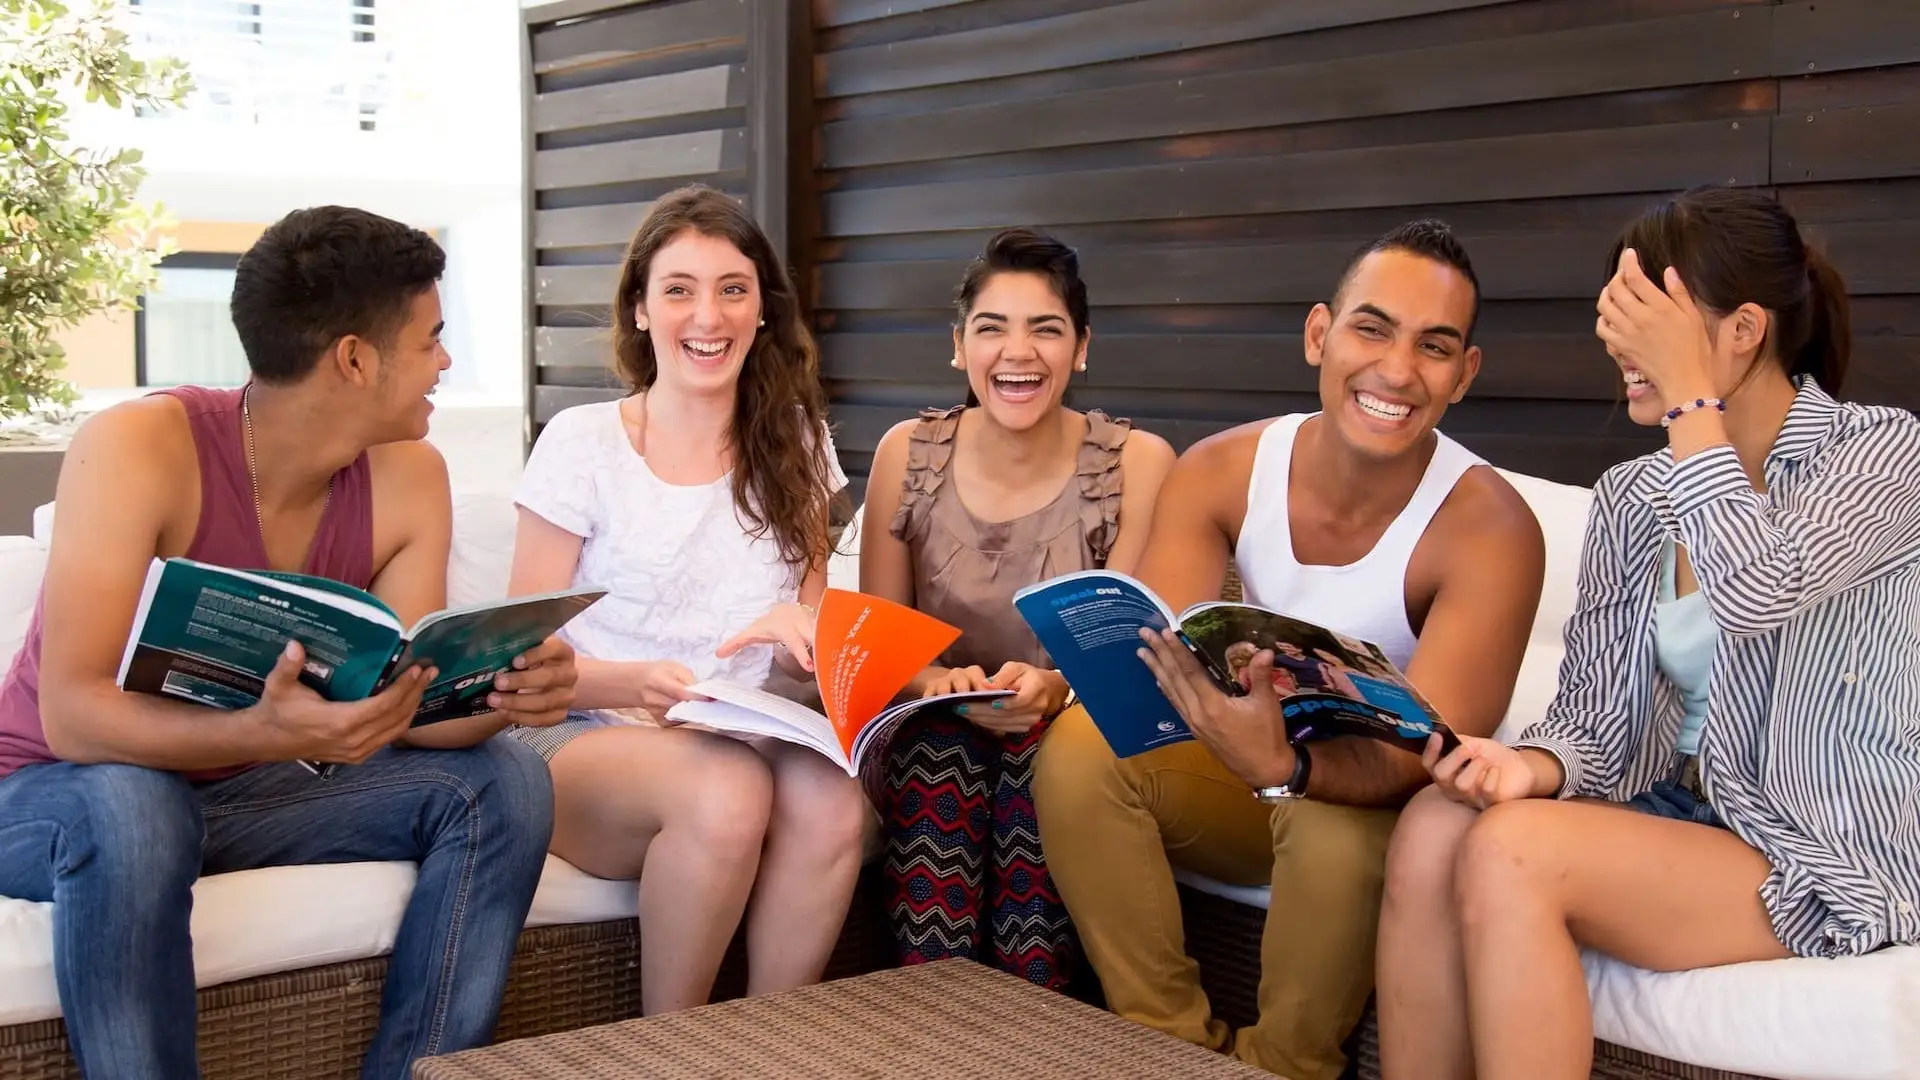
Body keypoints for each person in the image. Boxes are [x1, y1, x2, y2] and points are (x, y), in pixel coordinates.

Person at [0, 206, 576, 1080]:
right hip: (52, 793)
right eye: (432, 339)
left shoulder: (410, 477)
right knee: (135, 807)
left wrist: (502, 693)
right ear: (354, 357)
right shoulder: (137, 446)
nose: (447, 363)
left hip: (243, 792)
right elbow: (76, 717)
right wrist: (264, 735)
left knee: (505, 781)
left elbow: (402, 712)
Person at [1375, 187, 1920, 1080]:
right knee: (1440, 823)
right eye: (1614, 312)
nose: (1615, 340)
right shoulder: (1636, 497)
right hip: (1682, 812)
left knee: (1519, 852)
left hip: (1820, 843)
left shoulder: (1878, 454)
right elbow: (1598, 721)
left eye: (1644, 316)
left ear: (1743, 330)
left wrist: (1688, 407)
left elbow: (1757, 589)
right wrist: (1533, 766)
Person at [1032, 220, 1546, 1079]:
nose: (1396, 369)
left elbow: (1431, 755)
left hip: (1362, 804)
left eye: (1434, 346)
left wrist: (1292, 769)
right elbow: (1157, 667)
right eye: (1371, 328)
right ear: (1320, 334)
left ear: (1465, 373)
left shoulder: (1489, 528)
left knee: (1332, 837)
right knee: (1079, 755)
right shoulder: (1225, 468)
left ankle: (1286, 1067)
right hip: (1239, 772)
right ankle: (1168, 1047)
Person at [501, 184, 870, 1016]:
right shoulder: (583, 442)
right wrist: (633, 684)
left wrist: (798, 640)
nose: (709, 315)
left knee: (832, 800)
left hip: (738, 728)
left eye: (733, 289)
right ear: (640, 309)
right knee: (726, 789)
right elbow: (515, 658)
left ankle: (767, 1047)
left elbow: (814, 642)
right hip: (582, 733)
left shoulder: (798, 442)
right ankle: (671, 1048)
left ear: (762, 310)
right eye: (679, 289)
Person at [859, 228, 1175, 988]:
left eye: (1046, 329)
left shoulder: (1139, 463)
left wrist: (1054, 689)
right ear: (959, 347)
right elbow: (877, 639)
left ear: (1083, 347)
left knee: (1042, 766)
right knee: (945, 759)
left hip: (1076, 719)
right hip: (931, 719)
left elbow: (1128, 647)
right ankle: (935, 1013)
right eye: (992, 328)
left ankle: (1039, 1020)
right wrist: (942, 686)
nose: (1018, 352)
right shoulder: (907, 451)